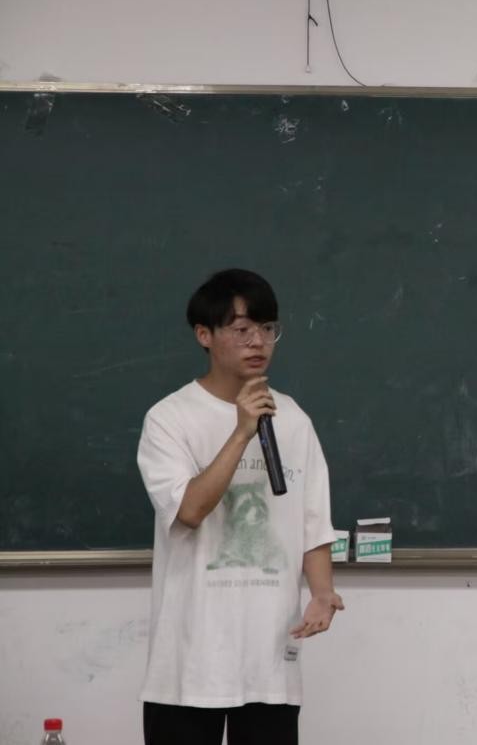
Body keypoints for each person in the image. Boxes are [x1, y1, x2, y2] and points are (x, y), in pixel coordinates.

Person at [136, 268, 344, 745]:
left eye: (268, 328)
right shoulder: (169, 418)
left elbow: (313, 521)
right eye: (242, 329)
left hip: (270, 659)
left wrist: (322, 592)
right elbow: (189, 511)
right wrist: (241, 431)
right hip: (189, 664)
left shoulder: (294, 419)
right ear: (204, 335)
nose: (258, 342)